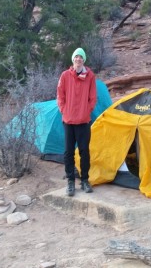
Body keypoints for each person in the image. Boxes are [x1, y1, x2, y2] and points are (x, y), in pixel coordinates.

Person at [57, 47, 97, 197]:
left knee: (84, 152)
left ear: (84, 60)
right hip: (68, 120)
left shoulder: (90, 76)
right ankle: (70, 181)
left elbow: (93, 98)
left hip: (83, 120)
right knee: (68, 152)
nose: (78, 59)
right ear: (72, 60)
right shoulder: (65, 75)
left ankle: (85, 180)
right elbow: (60, 95)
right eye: (76, 57)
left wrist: (87, 110)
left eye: (81, 57)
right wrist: (63, 110)